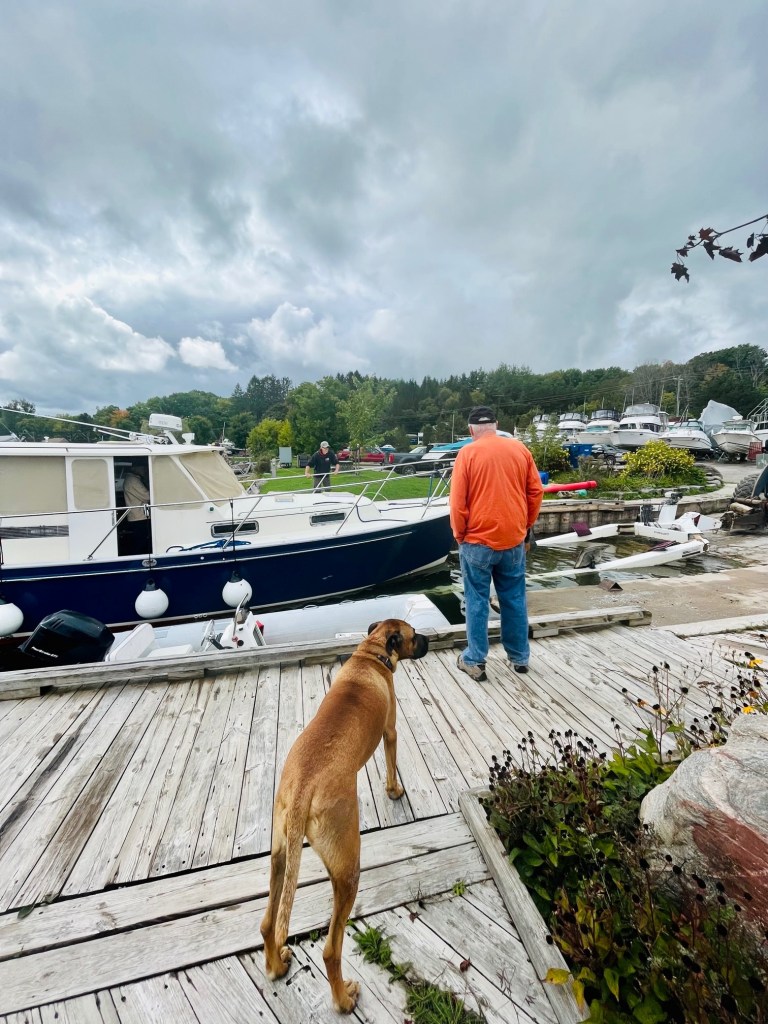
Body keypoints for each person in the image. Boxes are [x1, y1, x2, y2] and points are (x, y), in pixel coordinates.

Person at [450, 406, 544, 681]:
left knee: (476, 601)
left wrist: (459, 535)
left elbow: (458, 503)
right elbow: (536, 492)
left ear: (471, 430)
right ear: (496, 425)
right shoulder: (519, 449)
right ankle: (520, 658)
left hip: (477, 540)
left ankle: (475, 660)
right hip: (513, 540)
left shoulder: (467, 453)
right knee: (514, 599)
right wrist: (525, 525)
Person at [122, 465, 152, 554]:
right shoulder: (133, 480)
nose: (144, 470)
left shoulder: (132, 479)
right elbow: (147, 496)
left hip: (136, 514)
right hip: (139, 516)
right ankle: (137, 557)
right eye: (142, 467)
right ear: (135, 468)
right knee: (141, 541)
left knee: (140, 539)